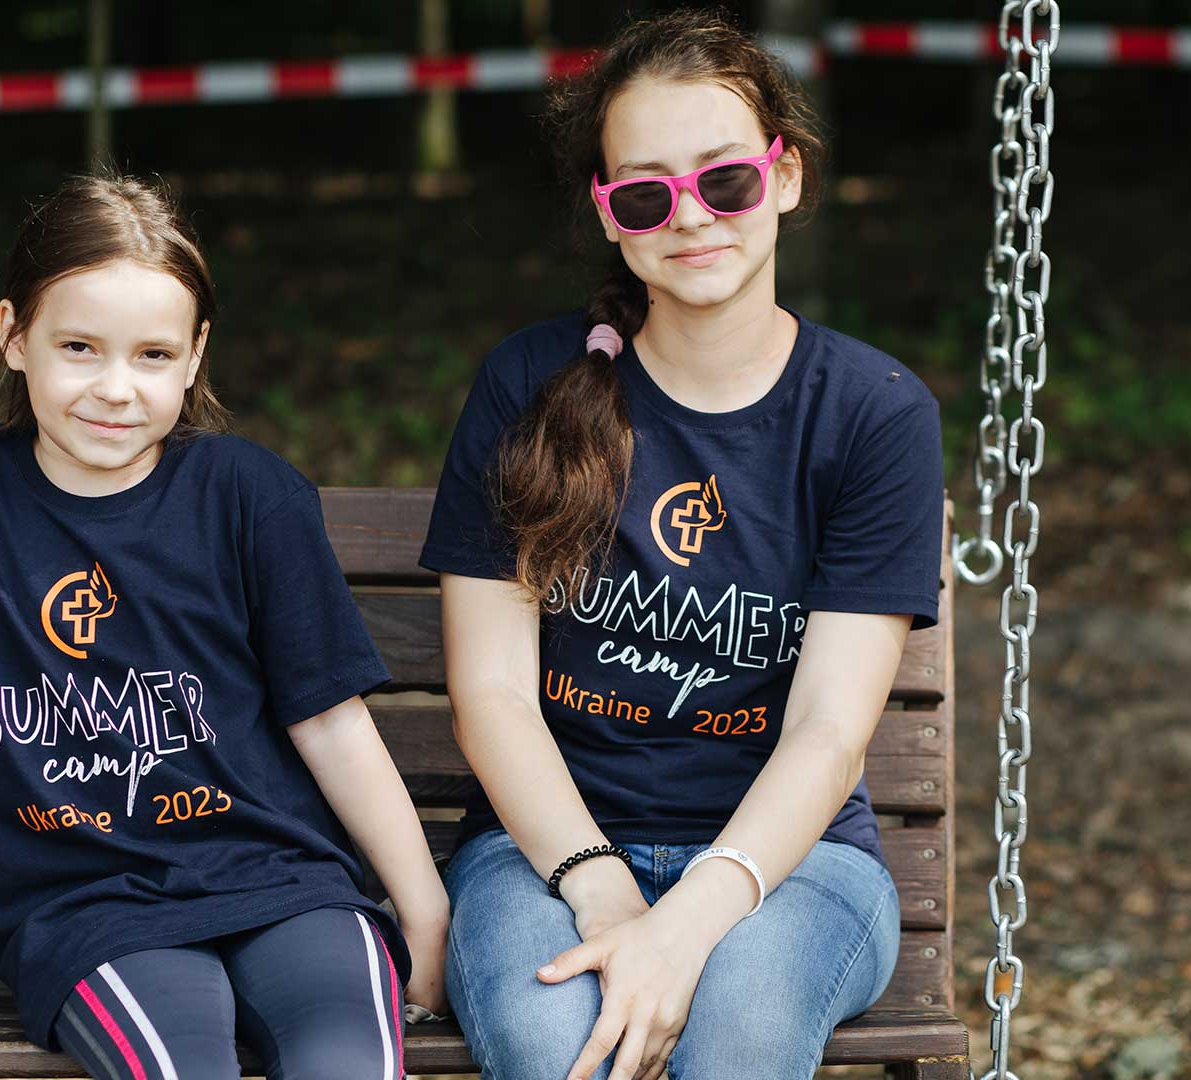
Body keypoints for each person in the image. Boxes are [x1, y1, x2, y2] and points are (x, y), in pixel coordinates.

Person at [0, 172, 449, 1080]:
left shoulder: (249, 495)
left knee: (350, 1063)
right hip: (90, 905)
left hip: (283, 884)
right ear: (13, 337)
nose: (115, 388)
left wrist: (424, 911)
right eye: (78, 347)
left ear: (195, 355)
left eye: (151, 354)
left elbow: (331, 719)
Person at [420, 10, 943, 1080]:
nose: (692, 217)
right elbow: (494, 698)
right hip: (544, 854)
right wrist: (602, 885)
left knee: (742, 1030)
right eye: (649, 192)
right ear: (613, 218)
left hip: (788, 866)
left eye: (728, 181)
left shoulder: (874, 414)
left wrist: (685, 921)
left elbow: (829, 731)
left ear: (784, 179)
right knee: (552, 1040)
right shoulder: (530, 384)